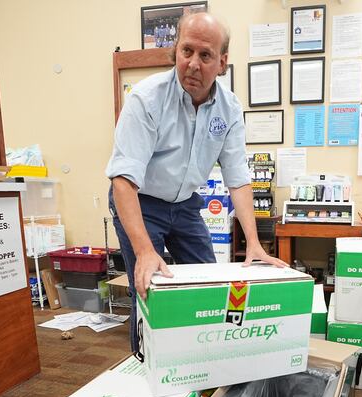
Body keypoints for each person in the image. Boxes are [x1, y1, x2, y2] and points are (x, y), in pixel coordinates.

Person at [106, 12, 285, 354]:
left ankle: (203, 358)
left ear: (222, 62)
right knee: (148, 287)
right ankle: (149, 366)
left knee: (209, 282)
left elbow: (238, 179)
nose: (192, 64)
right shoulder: (146, 99)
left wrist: (254, 243)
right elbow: (123, 181)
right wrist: (145, 252)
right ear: (175, 51)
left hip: (185, 203)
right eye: (186, 51)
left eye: (205, 55)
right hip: (140, 201)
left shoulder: (229, 109)